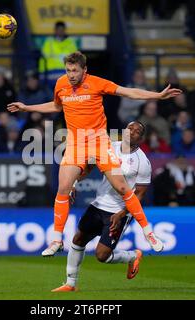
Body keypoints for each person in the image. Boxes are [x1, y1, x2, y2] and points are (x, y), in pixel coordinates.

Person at [8, 51, 182, 257]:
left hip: (99, 143)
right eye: (68, 70)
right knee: (63, 188)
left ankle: (148, 232)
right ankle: (56, 240)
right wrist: (27, 107)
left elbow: (127, 92)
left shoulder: (97, 83)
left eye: (75, 70)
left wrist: (157, 95)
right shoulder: (61, 84)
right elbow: (56, 106)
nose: (71, 75)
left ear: (84, 70)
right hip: (75, 144)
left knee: (122, 187)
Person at [52, 121, 155, 292]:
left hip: (118, 212)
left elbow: (139, 195)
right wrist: (74, 182)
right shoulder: (108, 148)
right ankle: (70, 284)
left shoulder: (143, 162)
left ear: (141, 138)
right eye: (130, 128)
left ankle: (132, 256)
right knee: (78, 239)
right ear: (124, 130)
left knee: (102, 255)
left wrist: (122, 214)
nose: (132, 132)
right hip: (98, 204)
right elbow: (88, 168)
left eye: (137, 131)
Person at [38, 21, 78, 89]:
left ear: (64, 30)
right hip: (50, 76)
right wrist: (42, 76)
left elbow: (77, 61)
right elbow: (43, 59)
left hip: (66, 76)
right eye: (58, 30)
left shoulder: (71, 43)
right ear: (55, 30)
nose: (60, 32)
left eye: (62, 30)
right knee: (51, 98)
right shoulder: (49, 42)